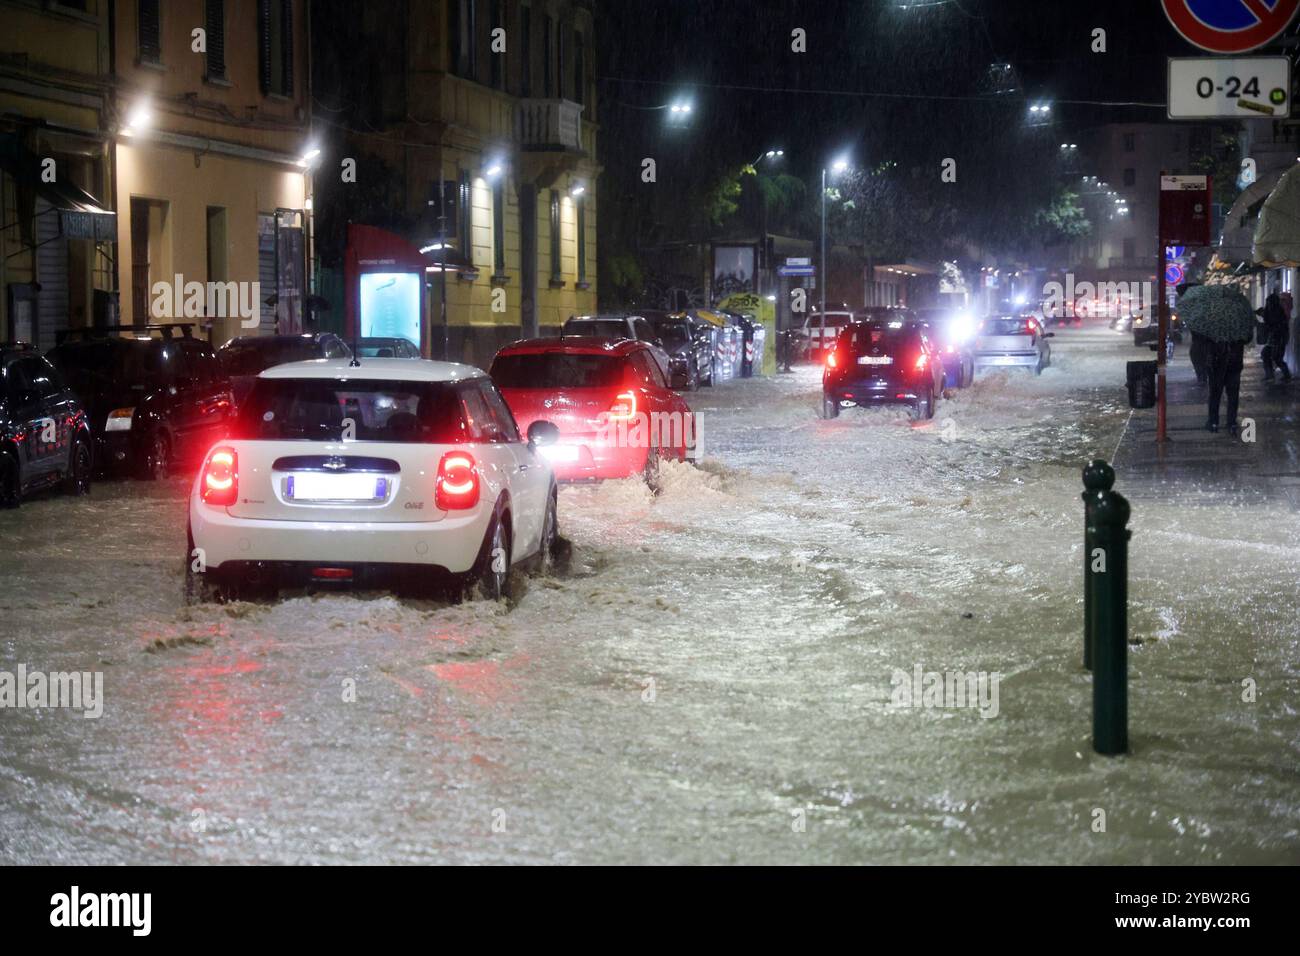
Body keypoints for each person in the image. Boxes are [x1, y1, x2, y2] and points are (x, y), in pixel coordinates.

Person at [1205, 337, 1246, 435]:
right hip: (1234, 363)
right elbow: (1246, 338)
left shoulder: (1214, 327)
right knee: (1233, 395)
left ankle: (1213, 422)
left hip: (1217, 364)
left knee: (1215, 395)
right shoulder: (1238, 327)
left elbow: (1205, 341)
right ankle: (1231, 423)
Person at [1259, 286, 1292, 381]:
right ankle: (1270, 375)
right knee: (1266, 354)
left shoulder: (1278, 312)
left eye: (1269, 302)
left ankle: (1286, 375)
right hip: (1273, 338)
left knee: (1277, 357)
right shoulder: (1270, 311)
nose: (1268, 304)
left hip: (1279, 338)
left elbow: (1276, 325)